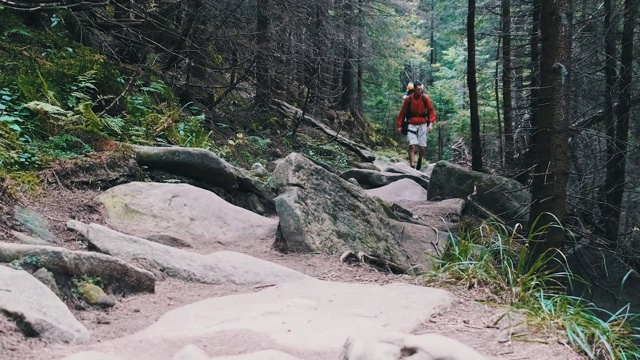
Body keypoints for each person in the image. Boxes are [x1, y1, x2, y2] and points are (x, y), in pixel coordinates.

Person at [396, 81, 436, 170]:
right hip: (411, 123)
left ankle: (420, 160)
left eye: (421, 89)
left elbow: (431, 111)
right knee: (412, 145)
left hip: (422, 123)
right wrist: (399, 125)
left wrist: (430, 124)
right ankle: (412, 165)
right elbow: (402, 112)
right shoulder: (408, 99)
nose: (420, 91)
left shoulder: (425, 98)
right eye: (418, 89)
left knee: (422, 147)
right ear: (414, 89)